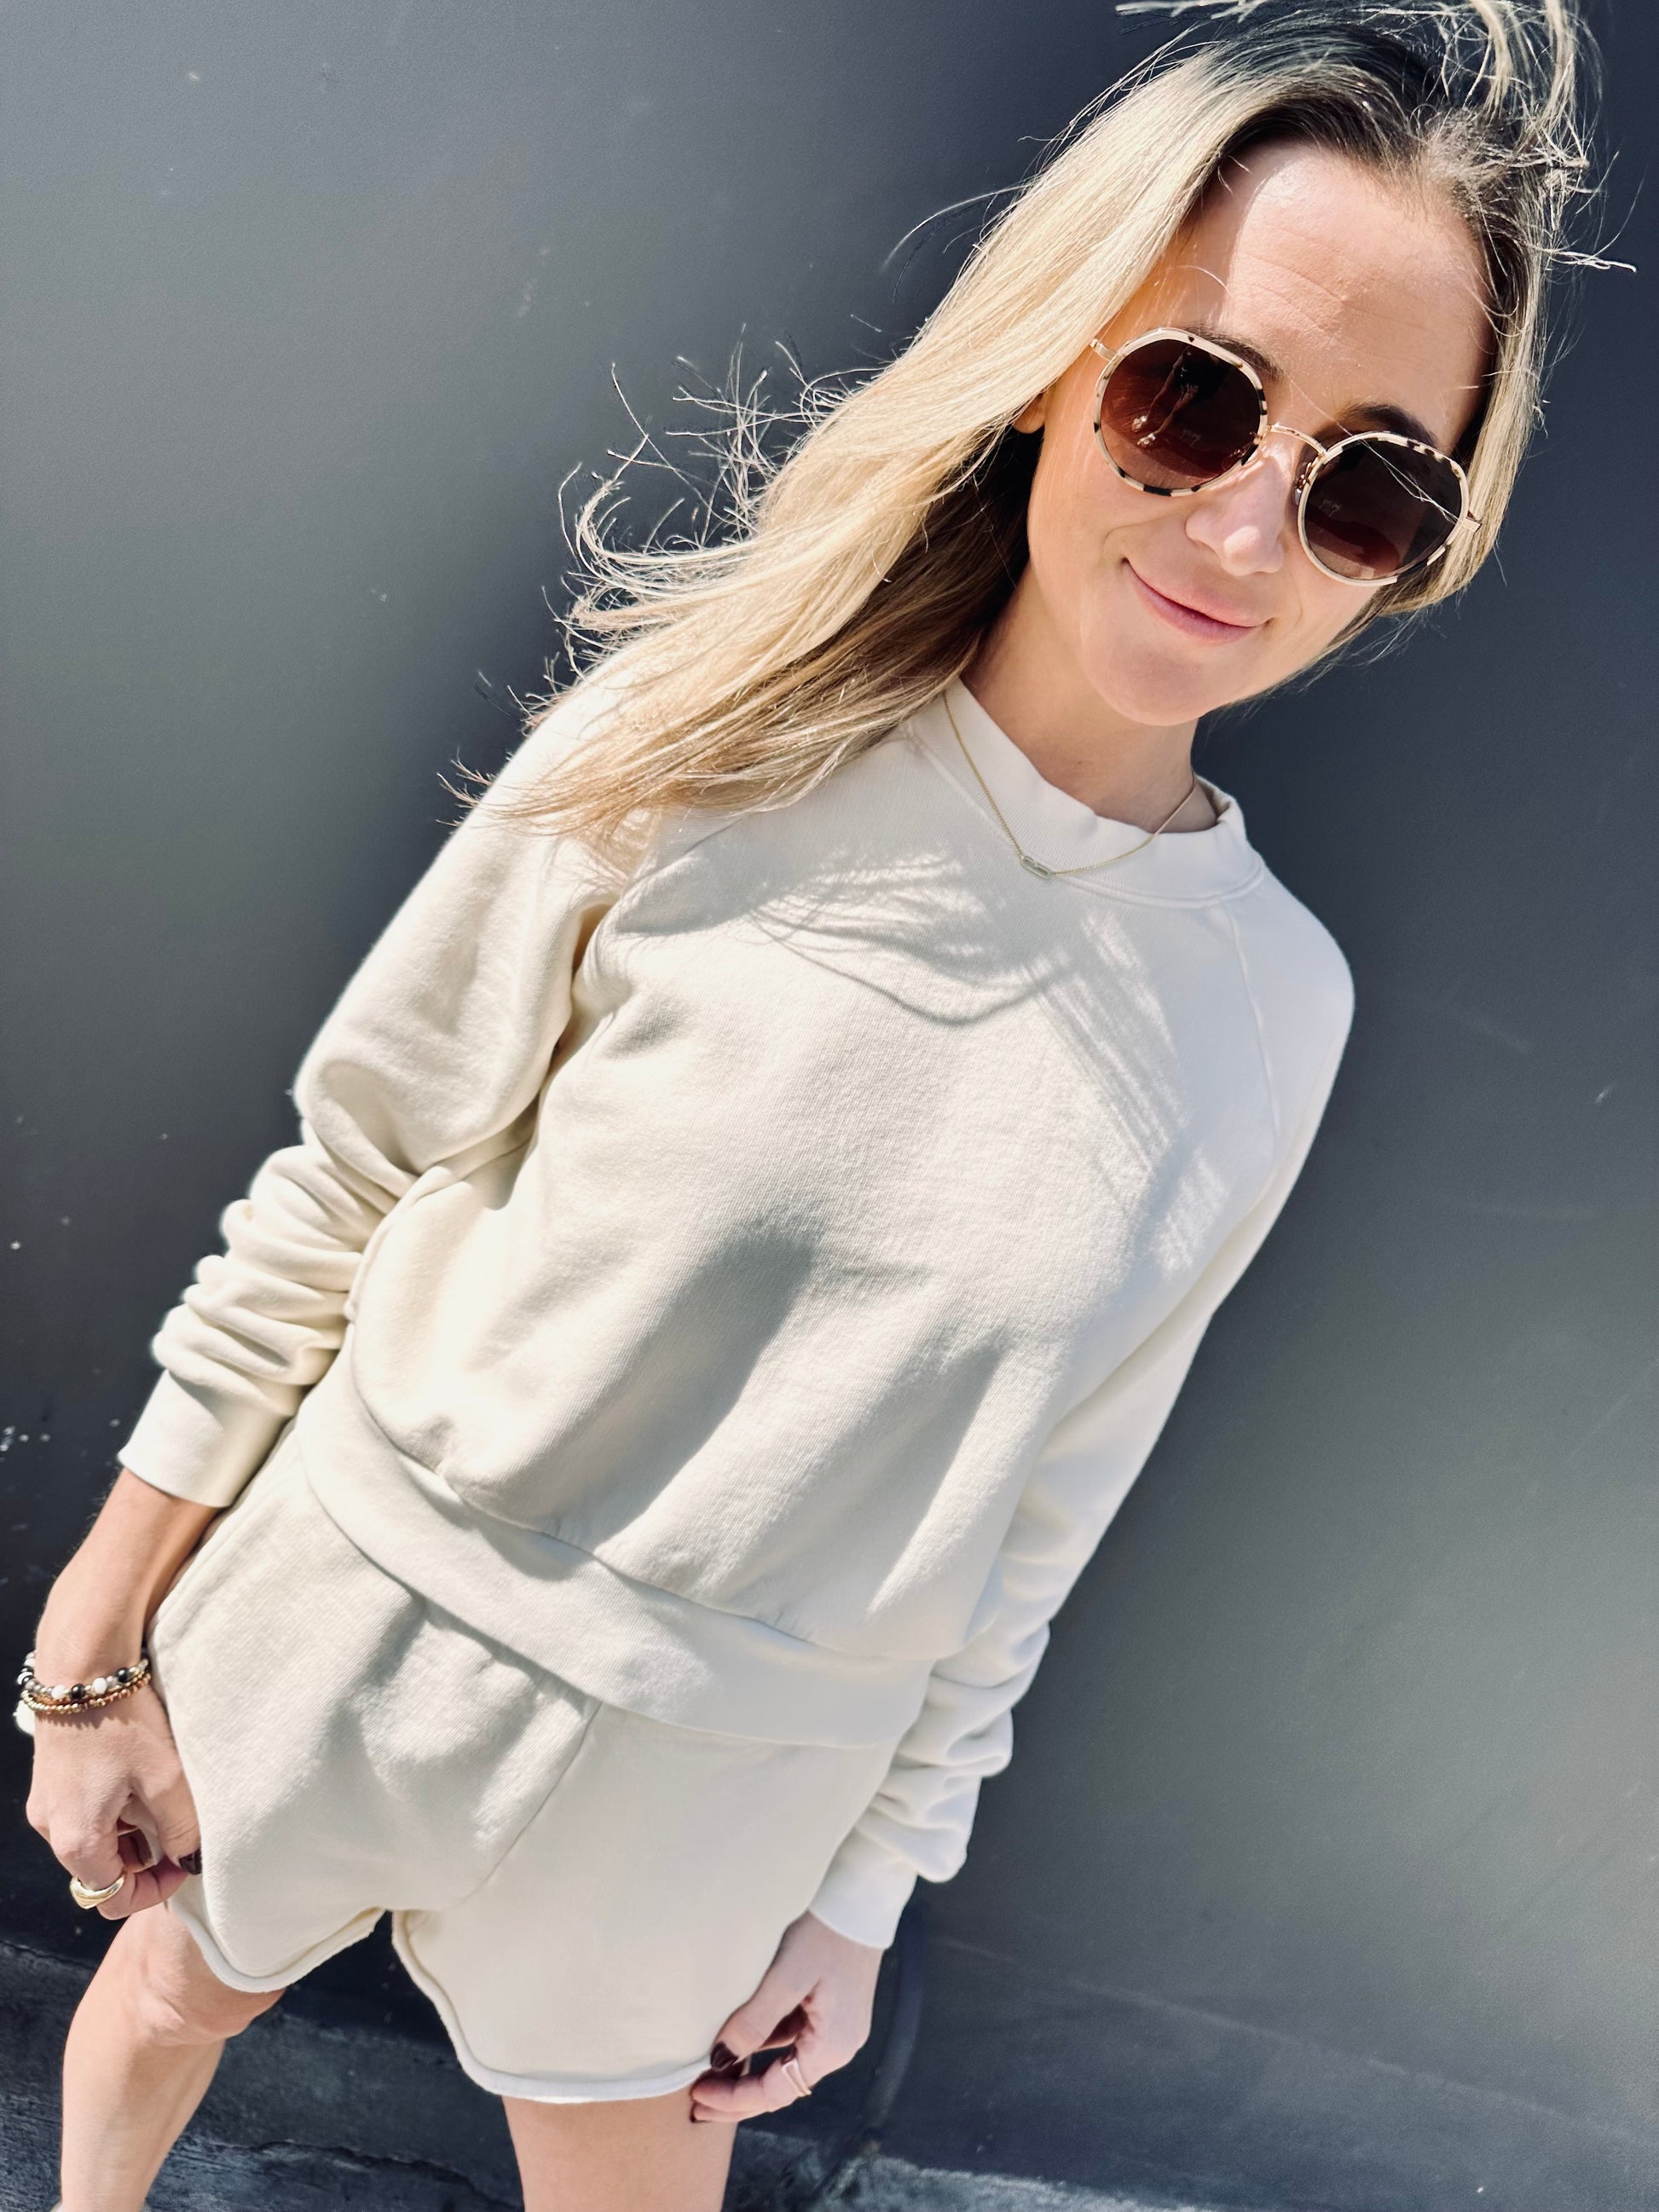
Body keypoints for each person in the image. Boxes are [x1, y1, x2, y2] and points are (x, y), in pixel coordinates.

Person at [21, 3, 1593, 2206]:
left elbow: (1041, 1500)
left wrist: (864, 1891)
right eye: (1192, 395)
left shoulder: (1272, 1006)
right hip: (346, 1612)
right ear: (1052, 361)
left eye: (1368, 486)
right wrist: (94, 1642)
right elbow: (349, 1175)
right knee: (168, 1997)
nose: (1247, 525)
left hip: (721, 1789)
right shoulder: (702, 733)